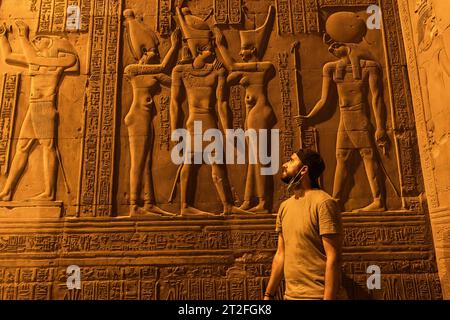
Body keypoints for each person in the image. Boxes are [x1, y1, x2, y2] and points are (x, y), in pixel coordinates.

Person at [0, 20, 79, 201]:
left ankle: (49, 192)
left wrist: (22, 37)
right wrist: (3, 36)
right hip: (33, 106)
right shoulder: (36, 59)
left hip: (44, 106)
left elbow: (33, 59)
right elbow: (8, 57)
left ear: (53, 42)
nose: (36, 41)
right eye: (34, 39)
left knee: (47, 147)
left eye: (41, 38)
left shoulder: (63, 60)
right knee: (22, 147)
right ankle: (7, 191)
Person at [264, 149, 346, 300]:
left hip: (317, 296)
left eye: (291, 160)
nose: (284, 165)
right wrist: (268, 295)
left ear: (304, 170)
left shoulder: (324, 203)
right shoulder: (285, 207)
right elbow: (281, 254)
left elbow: (333, 257)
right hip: (291, 296)